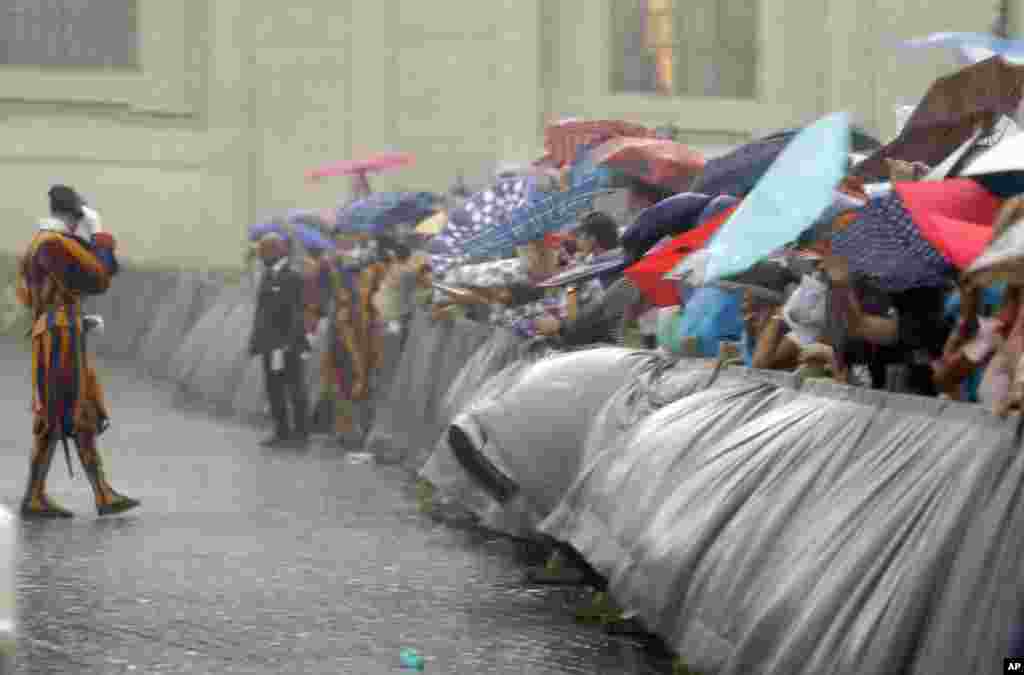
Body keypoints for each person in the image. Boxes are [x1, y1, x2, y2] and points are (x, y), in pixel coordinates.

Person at [16, 185, 140, 517]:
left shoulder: (41, 243)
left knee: (78, 409)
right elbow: (99, 276)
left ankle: (100, 493)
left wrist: (76, 318)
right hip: (59, 339)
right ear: (75, 215)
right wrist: (98, 235)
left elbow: (41, 294)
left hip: (62, 332)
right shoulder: (53, 243)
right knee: (58, 411)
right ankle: (37, 495)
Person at [248, 232, 311, 448]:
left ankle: (301, 434)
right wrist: (257, 341)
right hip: (269, 344)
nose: (261, 256)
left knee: (294, 388)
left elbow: (296, 313)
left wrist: (288, 343)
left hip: (287, 344)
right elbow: (262, 312)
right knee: (273, 388)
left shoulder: (292, 277)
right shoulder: (268, 275)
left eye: (264, 252)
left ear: (277, 251)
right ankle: (281, 431)